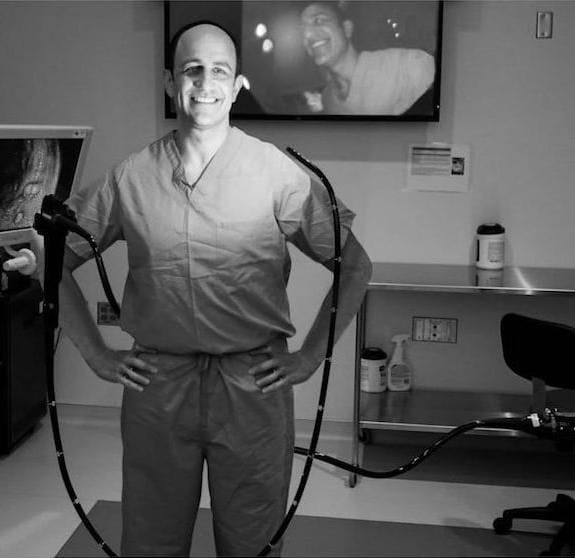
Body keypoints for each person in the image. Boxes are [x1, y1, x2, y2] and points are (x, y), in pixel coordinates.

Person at [59, 20, 372, 557]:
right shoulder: (131, 178)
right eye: (192, 69)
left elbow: (356, 267)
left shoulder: (279, 175)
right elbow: (54, 265)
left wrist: (309, 359)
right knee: (151, 541)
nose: (206, 83)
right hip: (159, 388)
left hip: (253, 388)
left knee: (252, 542)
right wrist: (95, 355)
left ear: (237, 82)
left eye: (219, 70)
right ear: (168, 82)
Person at [300, 2, 435, 115]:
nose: (307, 35)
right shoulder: (328, 101)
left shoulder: (411, 66)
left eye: (318, 20)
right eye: (302, 31)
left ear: (347, 29)